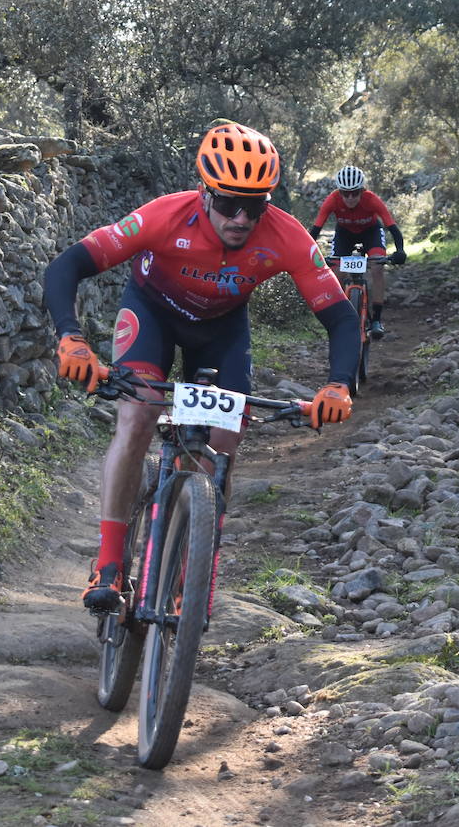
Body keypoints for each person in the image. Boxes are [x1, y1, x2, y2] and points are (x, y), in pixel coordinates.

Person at [44, 122, 360, 612]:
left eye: (254, 206)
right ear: (204, 192)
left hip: (221, 332)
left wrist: (339, 385)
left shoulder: (286, 236)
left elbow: (339, 316)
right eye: (229, 202)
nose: (241, 217)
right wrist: (71, 337)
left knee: (222, 447)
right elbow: (68, 265)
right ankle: (108, 564)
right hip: (152, 315)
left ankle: (196, 573)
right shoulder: (164, 217)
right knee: (138, 417)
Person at [309, 165, 407, 339]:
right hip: (344, 235)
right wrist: (307, 253)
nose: (350, 198)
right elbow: (315, 231)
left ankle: (376, 319)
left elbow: (393, 228)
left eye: (355, 192)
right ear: (340, 192)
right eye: (345, 193)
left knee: (377, 268)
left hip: (371, 233)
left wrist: (400, 251)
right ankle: (337, 314)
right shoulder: (332, 200)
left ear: (362, 190)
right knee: (335, 271)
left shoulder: (372, 200)